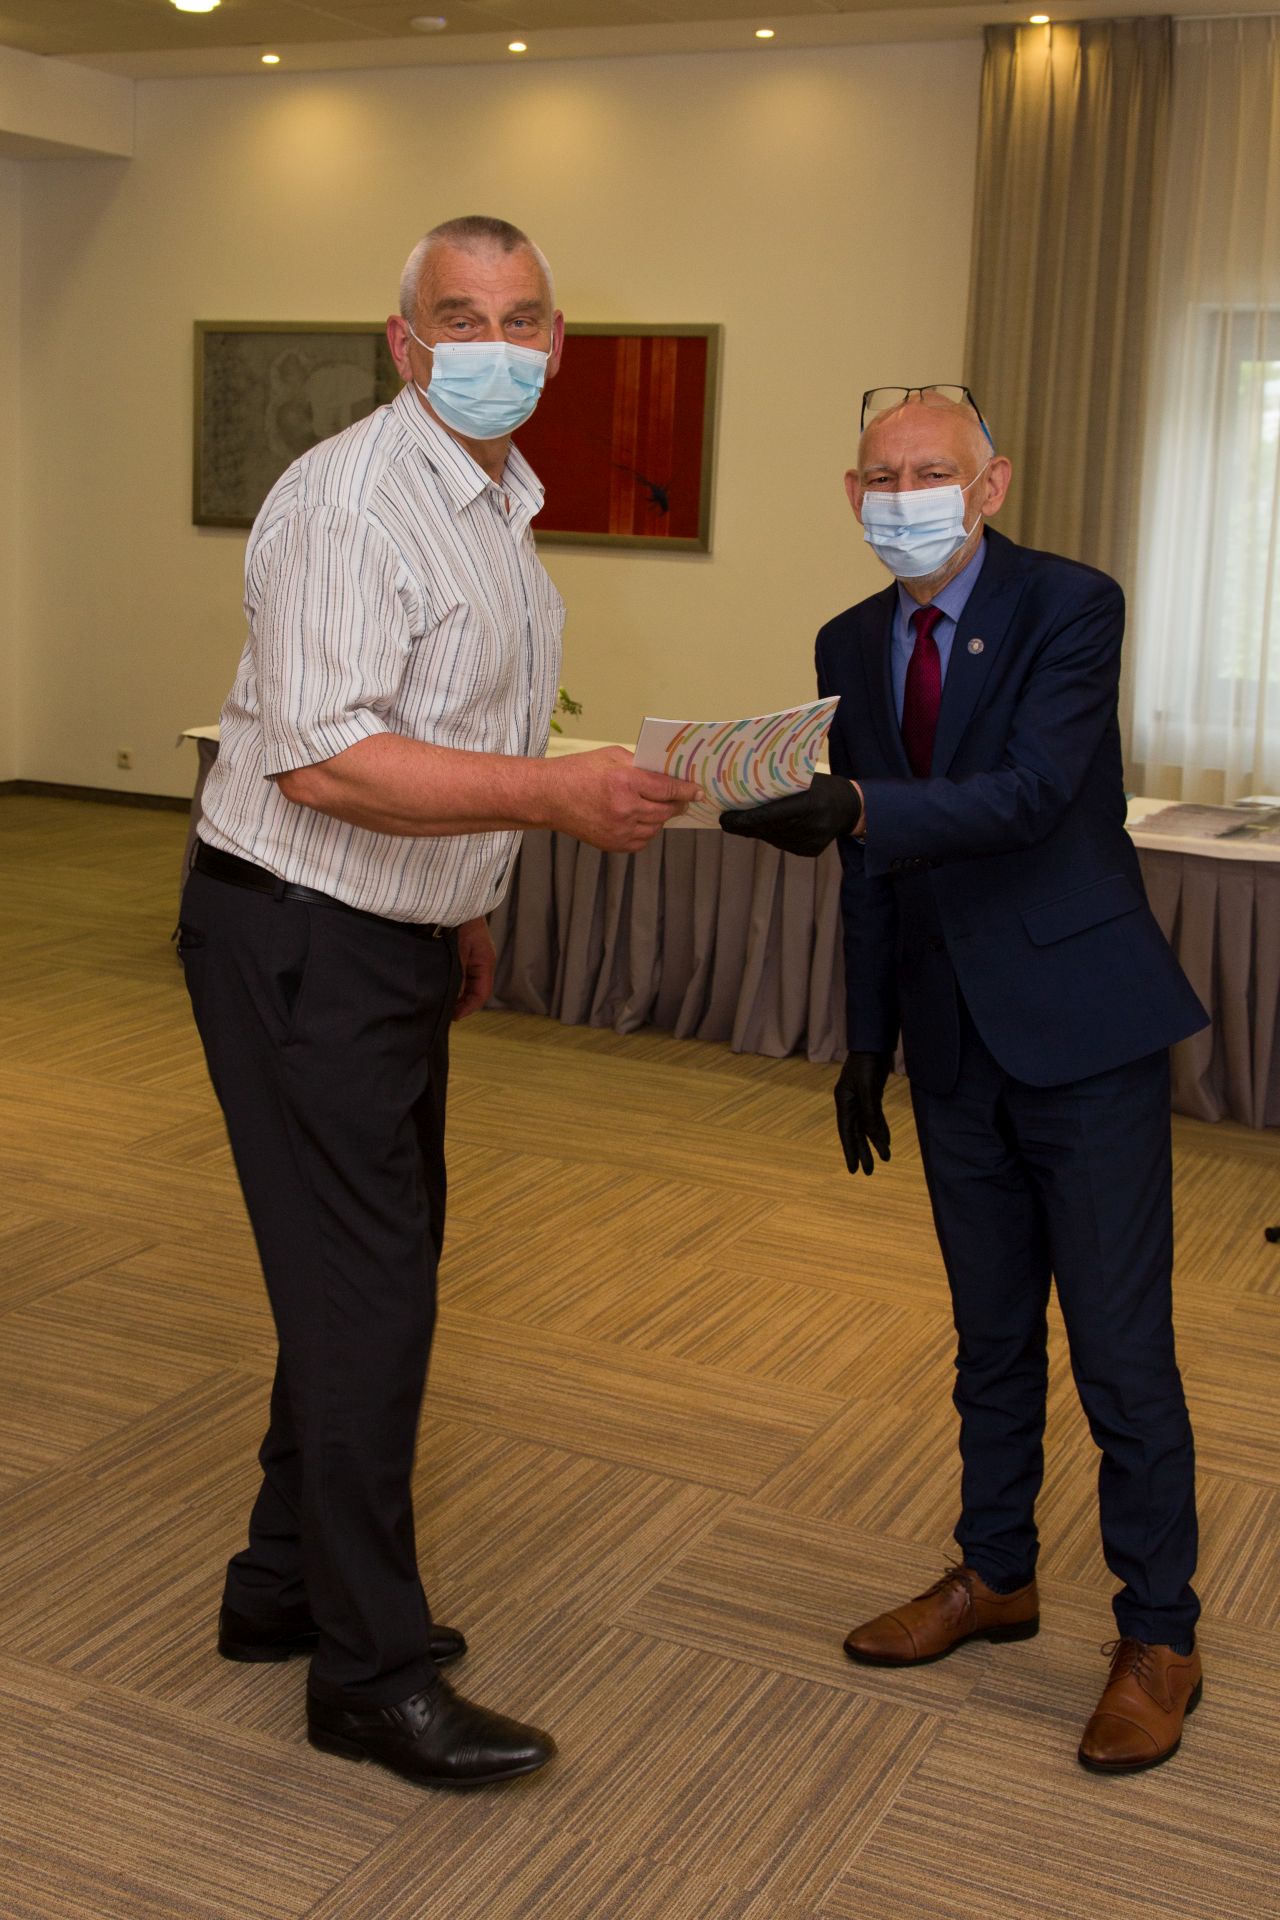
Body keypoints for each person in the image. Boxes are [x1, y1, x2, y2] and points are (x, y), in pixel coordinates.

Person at [178, 215, 697, 1790]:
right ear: (403, 342)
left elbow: (444, 719)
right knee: (370, 1300)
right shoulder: (351, 500)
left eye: (522, 317)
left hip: (389, 928)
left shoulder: (498, 499)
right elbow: (324, 757)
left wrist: (462, 903)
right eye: (459, 318)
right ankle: (369, 1673)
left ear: (557, 342)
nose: (494, 345)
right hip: (300, 937)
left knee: (360, 1278)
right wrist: (551, 799)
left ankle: (282, 1586)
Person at [721, 385, 1208, 1773]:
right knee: (989, 1338)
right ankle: (995, 1573)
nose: (904, 497)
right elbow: (872, 869)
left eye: (931, 471)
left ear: (991, 484)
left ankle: (1160, 1634)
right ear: (852, 493)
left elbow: (1034, 793)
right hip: (949, 1043)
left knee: (1120, 1355)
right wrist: (865, 1040)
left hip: (1083, 1032)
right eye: (880, 476)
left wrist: (859, 804)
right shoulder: (847, 640)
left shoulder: (1072, 605)